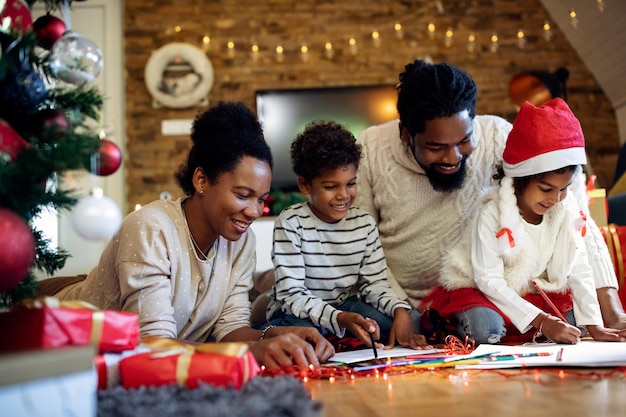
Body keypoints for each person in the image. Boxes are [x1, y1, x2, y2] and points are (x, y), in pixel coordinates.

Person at [53, 101, 335, 369]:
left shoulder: (241, 242)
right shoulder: (151, 228)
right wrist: (250, 351)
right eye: (242, 195)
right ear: (201, 181)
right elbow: (152, 345)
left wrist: (277, 336)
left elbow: (229, 329)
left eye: (261, 199)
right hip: (60, 333)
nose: (254, 211)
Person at [354, 59, 626, 331]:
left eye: (464, 141)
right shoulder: (371, 149)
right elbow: (359, 245)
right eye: (436, 147)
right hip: (402, 303)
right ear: (405, 133)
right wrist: (399, 306)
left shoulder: (499, 135)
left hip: (497, 294)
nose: (452, 157)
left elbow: (578, 222)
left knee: (577, 319)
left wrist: (611, 308)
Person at [421, 98, 626, 344]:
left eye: (563, 189)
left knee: (575, 326)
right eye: (545, 188)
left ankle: (534, 327)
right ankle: (473, 322)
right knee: (484, 330)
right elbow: (489, 280)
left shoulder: (564, 208)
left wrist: (594, 325)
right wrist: (542, 321)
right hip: (484, 290)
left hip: (531, 293)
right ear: (520, 179)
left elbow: (578, 266)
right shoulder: (492, 214)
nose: (555, 198)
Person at [264, 121, 430, 350]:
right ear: (304, 185)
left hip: (346, 307)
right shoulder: (291, 223)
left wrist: (399, 309)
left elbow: (375, 284)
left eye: (351, 183)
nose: (344, 195)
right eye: (331, 186)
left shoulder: (364, 224)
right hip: (299, 311)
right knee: (301, 335)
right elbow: (292, 295)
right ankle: (338, 333)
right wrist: (338, 318)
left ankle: (343, 333)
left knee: (411, 322)